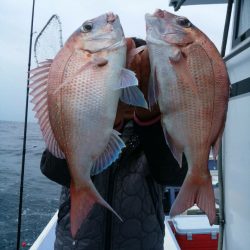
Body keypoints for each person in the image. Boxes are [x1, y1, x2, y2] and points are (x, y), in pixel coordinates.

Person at [40, 37, 188, 250]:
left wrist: (148, 118)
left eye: (141, 73)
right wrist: (110, 120)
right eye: (128, 70)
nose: (132, 82)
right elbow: (53, 169)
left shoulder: (163, 124)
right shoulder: (78, 113)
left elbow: (173, 175)